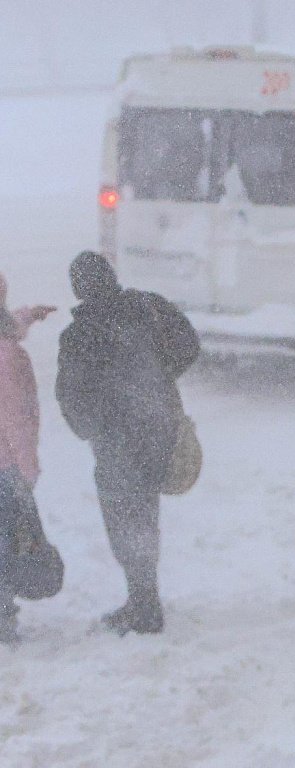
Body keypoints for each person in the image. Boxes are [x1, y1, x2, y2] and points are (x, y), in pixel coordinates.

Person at [56, 251, 199, 635]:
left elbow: (70, 398)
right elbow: (189, 344)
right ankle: (143, 597)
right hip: (158, 429)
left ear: (78, 289)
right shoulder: (147, 306)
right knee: (145, 513)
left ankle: (144, 605)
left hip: (117, 442)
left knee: (125, 520)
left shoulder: (79, 335)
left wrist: (94, 427)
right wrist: (160, 379)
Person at [0, 274, 54, 644]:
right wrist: (28, 468)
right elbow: (17, 417)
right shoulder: (10, 358)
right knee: (5, 546)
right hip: (5, 467)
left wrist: (28, 315)